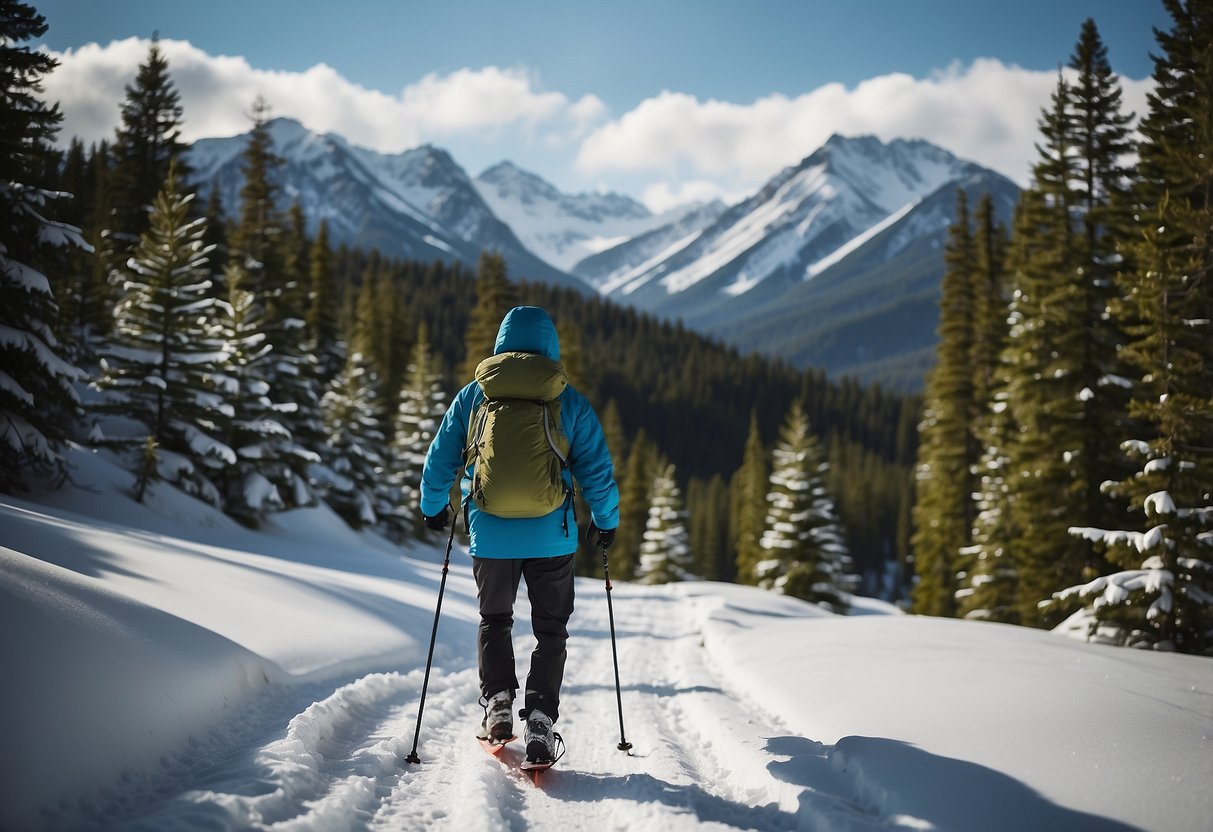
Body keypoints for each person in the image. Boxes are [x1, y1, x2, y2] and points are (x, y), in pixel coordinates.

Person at [419, 305, 620, 767]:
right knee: (550, 630)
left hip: (490, 533)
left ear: (502, 344)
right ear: (550, 345)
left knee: (495, 620)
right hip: (552, 536)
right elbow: (597, 470)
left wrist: (434, 507)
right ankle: (541, 719)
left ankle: (498, 705)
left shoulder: (474, 396)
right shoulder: (568, 401)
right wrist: (606, 520)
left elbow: (441, 457)